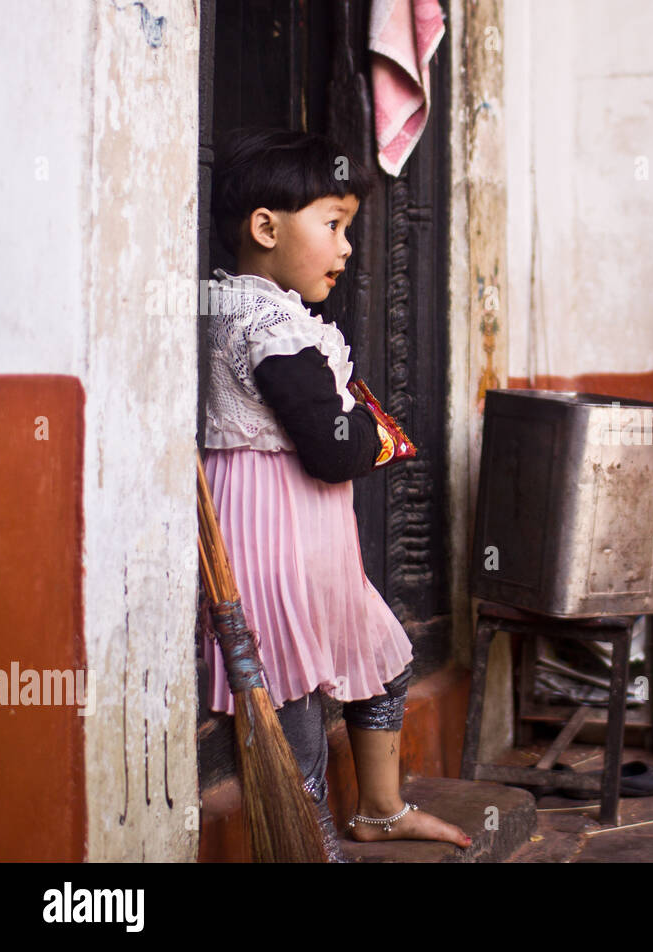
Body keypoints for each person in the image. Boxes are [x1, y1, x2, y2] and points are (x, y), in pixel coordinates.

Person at [203, 126, 469, 859]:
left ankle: (380, 809)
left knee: (383, 656)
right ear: (266, 227)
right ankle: (309, 841)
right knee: (293, 700)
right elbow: (328, 449)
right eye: (334, 225)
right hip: (274, 540)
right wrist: (371, 432)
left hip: (312, 542)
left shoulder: (258, 313)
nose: (347, 247)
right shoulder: (267, 325)